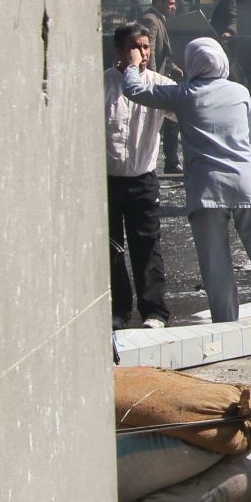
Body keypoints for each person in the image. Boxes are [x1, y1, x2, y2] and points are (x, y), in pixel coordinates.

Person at [120, 37, 251, 342]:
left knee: (216, 265)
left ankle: (228, 329)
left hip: (206, 190)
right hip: (247, 185)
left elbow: (135, 90)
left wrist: (132, 66)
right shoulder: (240, 92)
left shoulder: (183, 94)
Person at [106, 23, 172, 332]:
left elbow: (186, 110)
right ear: (120, 50)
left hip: (143, 178)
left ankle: (154, 311)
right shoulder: (103, 84)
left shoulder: (158, 85)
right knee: (111, 247)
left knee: (147, 245)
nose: (142, 53)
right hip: (108, 179)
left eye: (146, 47)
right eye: (135, 47)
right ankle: (118, 309)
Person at [137, 0, 183, 174]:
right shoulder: (151, 20)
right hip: (156, 82)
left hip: (162, 78)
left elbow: (163, 53)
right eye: (171, 3)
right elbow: (151, 52)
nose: (173, 8)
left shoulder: (158, 19)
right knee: (168, 123)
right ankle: (169, 162)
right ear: (159, 2)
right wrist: (154, 79)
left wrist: (173, 68)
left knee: (168, 123)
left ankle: (170, 161)